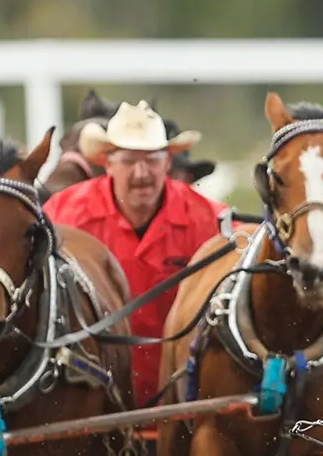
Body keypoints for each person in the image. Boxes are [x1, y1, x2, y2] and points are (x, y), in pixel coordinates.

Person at [44, 100, 228, 408]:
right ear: (107, 162)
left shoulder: (211, 221)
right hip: (90, 396)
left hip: (182, 395)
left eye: (152, 160)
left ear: (168, 163)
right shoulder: (63, 216)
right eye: (129, 161)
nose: (141, 173)